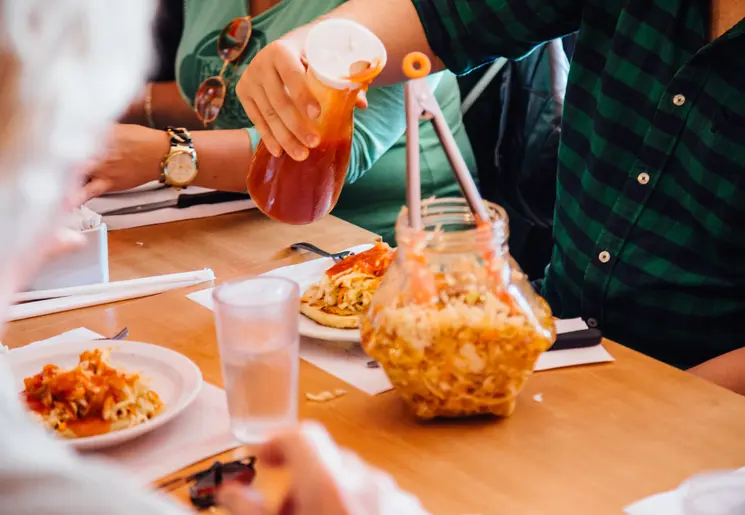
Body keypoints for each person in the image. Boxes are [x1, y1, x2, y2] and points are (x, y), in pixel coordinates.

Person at [0, 1, 424, 513]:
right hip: (241, 236)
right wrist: (86, 106)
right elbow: (212, 96)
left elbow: (321, 153)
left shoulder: (380, 26)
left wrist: (166, 153)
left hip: (363, 247)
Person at [235, 0, 745, 388]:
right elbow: (440, 16)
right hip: (553, 339)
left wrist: (660, 404)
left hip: (705, 406)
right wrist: (312, 47)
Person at [80, 0, 476, 245]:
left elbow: (316, 153)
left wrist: (166, 155)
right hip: (254, 231)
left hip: (389, 249)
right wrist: (106, 107)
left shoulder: (393, 16)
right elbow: (224, 94)